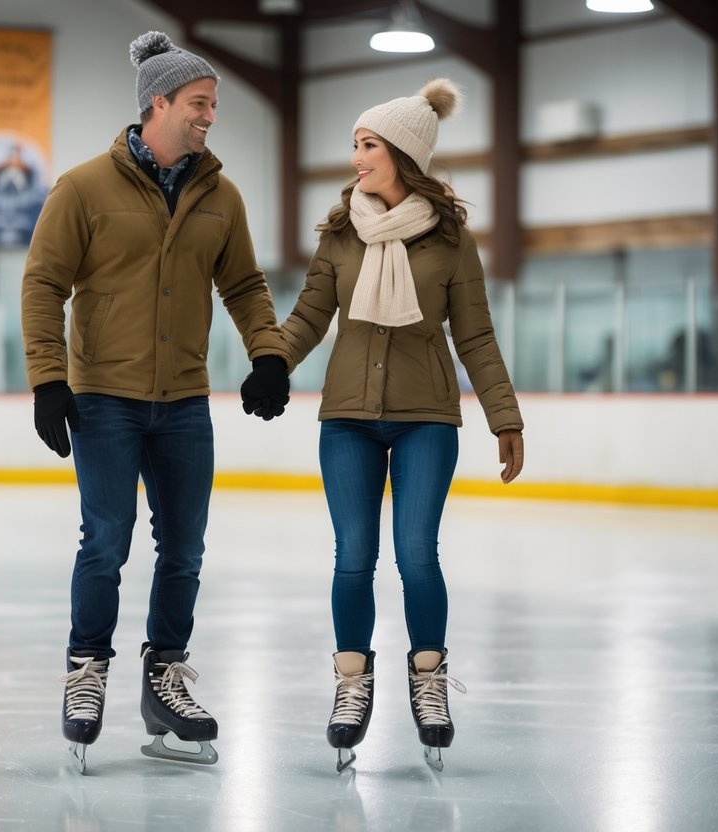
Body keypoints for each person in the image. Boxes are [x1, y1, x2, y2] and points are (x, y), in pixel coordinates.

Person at [21, 30, 290, 773]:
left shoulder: (219, 194)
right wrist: (48, 377)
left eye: (213, 106)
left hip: (182, 403)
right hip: (103, 398)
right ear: (158, 103)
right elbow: (43, 283)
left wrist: (267, 352)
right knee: (105, 543)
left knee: (185, 550)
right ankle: (86, 672)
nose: (209, 117)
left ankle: (164, 678)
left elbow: (243, 285)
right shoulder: (82, 189)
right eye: (200, 104)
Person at [243, 78, 524, 773]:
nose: (355, 159)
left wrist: (503, 417)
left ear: (401, 152)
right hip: (345, 421)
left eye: (367, 145)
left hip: (427, 417)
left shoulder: (451, 241)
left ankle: (427, 681)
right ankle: (350, 684)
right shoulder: (342, 232)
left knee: (417, 553)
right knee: (353, 555)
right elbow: (310, 314)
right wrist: (271, 361)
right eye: (354, 145)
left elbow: (477, 338)